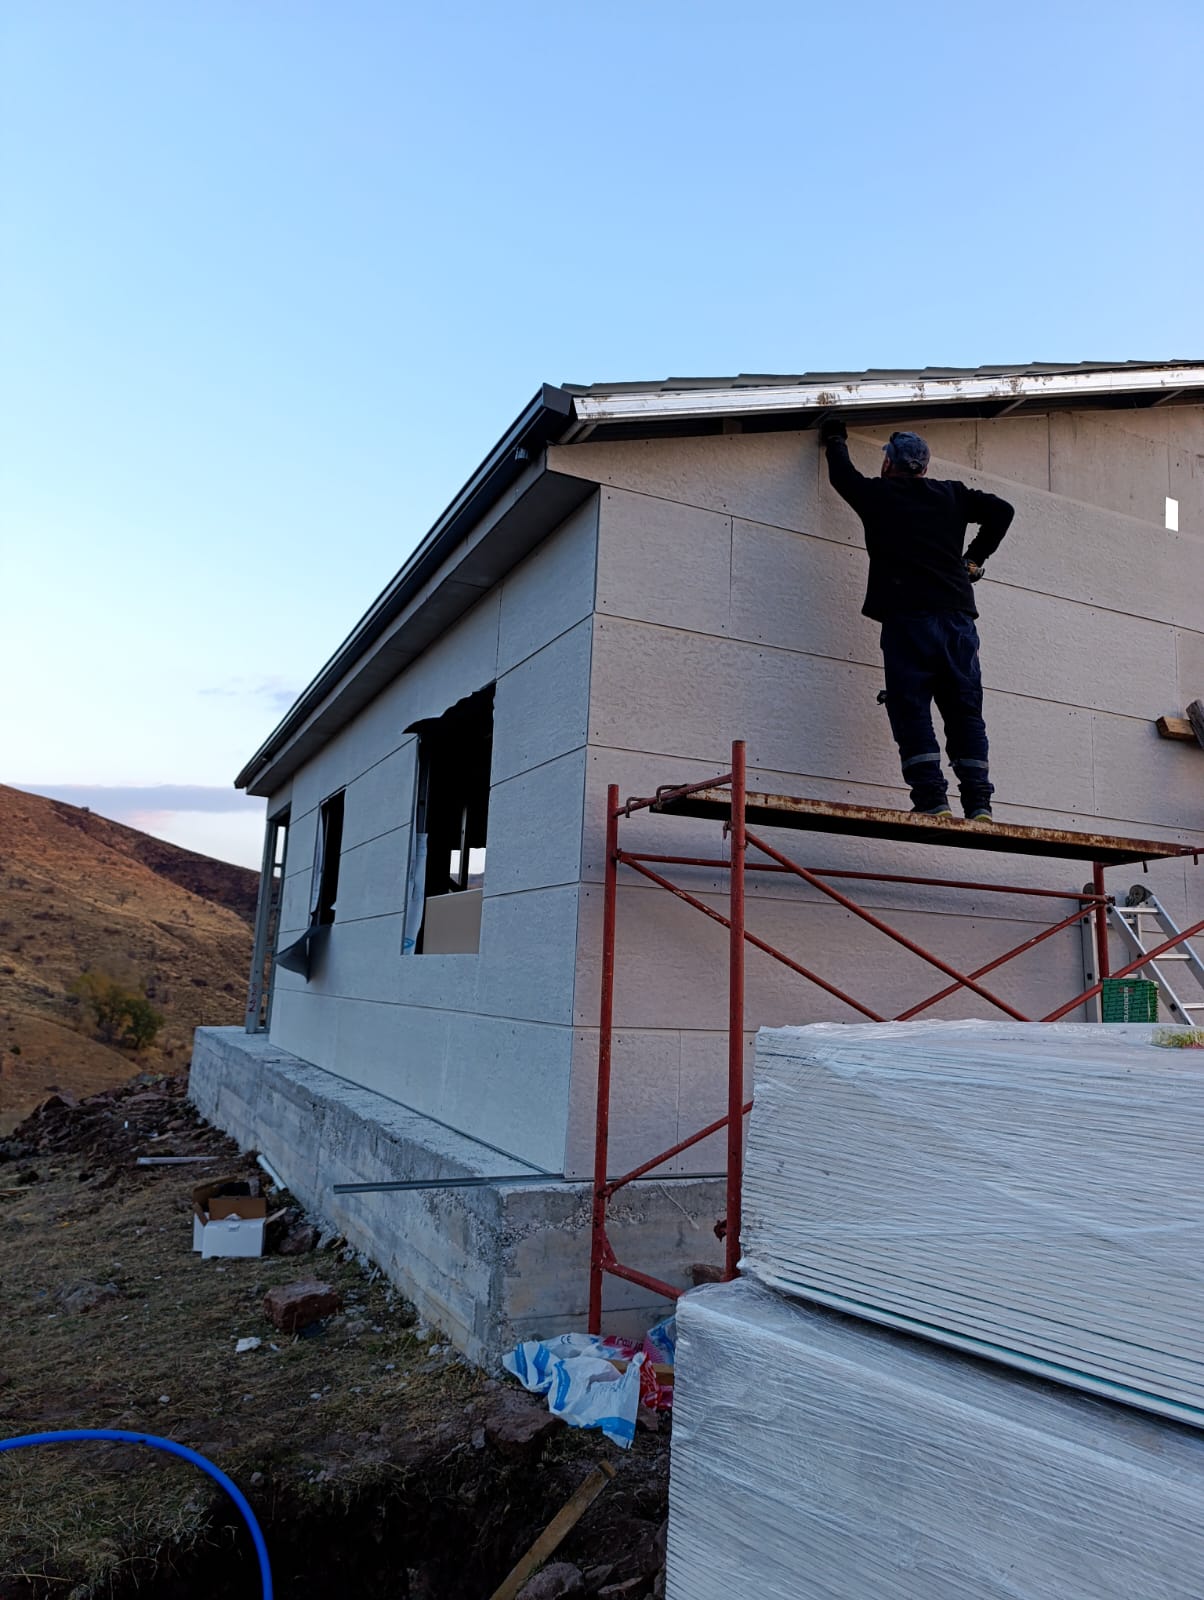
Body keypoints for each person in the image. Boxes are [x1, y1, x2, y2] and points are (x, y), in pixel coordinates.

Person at [819, 420, 1014, 819]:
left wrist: (836, 436)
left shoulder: (879, 495)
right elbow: (1001, 510)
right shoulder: (952, 495)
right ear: (923, 467)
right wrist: (974, 558)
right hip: (958, 619)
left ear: (889, 464)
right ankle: (979, 804)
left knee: (911, 706)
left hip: (908, 619)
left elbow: (843, 476)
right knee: (964, 709)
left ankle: (932, 799)